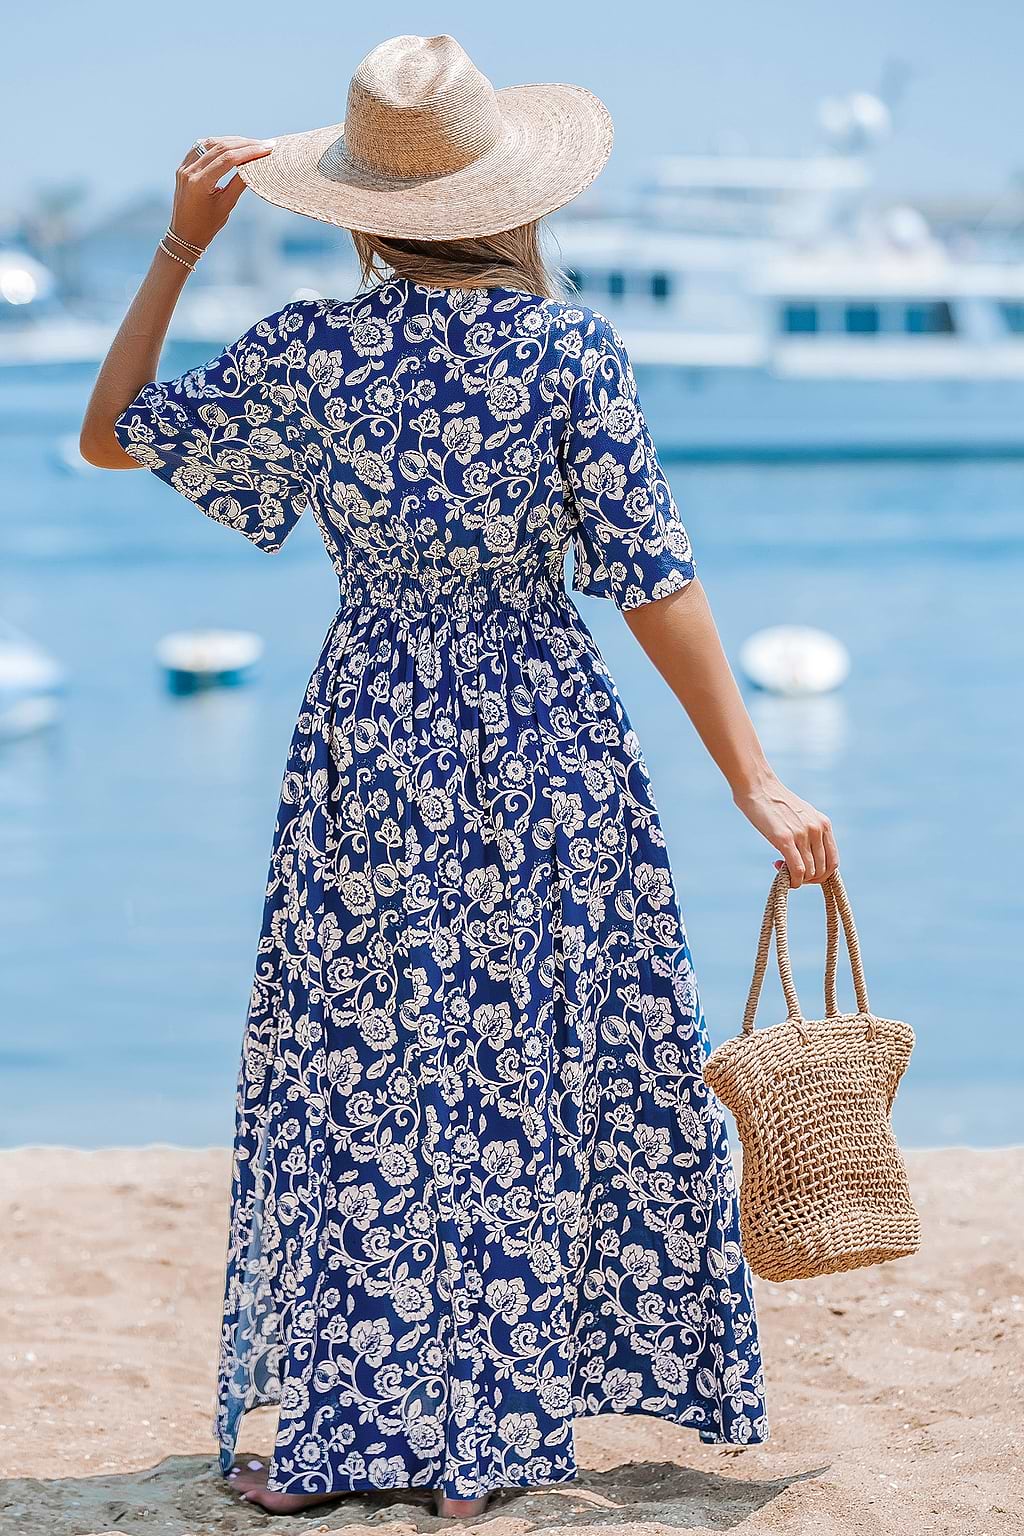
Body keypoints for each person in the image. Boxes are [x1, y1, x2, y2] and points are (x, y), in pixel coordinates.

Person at [81, 33, 838, 1521]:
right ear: (510, 197)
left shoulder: (310, 345)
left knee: (366, 1073)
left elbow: (112, 436)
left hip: (369, 740)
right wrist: (754, 778)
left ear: (364, 208)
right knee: (519, 1072)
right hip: (543, 738)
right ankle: (491, 1439)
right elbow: (653, 585)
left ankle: (361, 1429)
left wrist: (180, 246)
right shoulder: (571, 351)